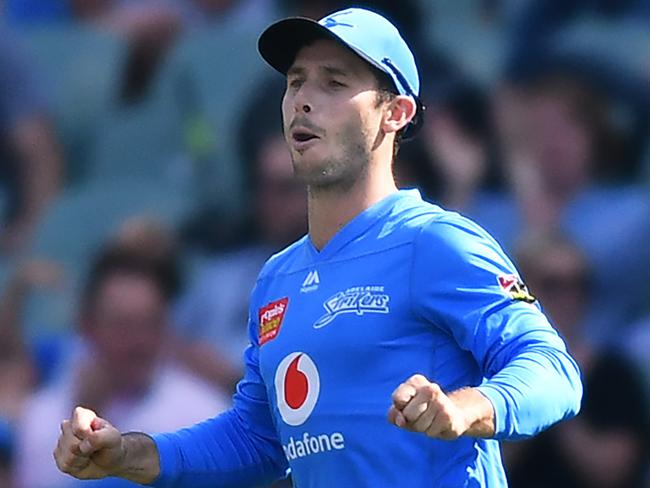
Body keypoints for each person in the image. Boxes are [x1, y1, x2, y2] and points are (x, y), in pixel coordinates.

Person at [52, 8, 582, 487]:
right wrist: (129, 454)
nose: (303, 99)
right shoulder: (276, 279)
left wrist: (467, 408)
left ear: (395, 113)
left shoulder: (434, 242)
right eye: (296, 81)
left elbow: (554, 372)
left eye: (334, 82)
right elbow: (257, 439)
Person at [15, 247, 230, 487]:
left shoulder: (205, 414)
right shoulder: (43, 414)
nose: (140, 342)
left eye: (150, 324)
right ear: (87, 327)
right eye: (123, 326)